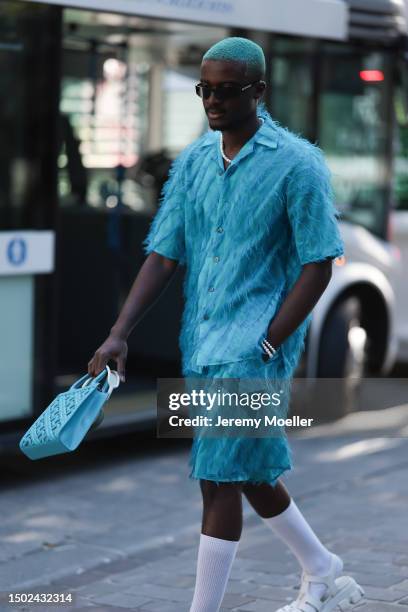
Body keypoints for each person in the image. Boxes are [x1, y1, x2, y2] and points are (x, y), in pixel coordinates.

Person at [88, 37, 365, 612]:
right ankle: (323, 570)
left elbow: (319, 262)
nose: (212, 101)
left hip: (255, 350)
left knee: (217, 476)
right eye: (204, 89)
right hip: (204, 342)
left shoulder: (298, 163)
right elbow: (164, 254)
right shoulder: (192, 163)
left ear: (259, 92)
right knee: (248, 468)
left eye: (227, 90)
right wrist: (119, 332)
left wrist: (269, 340)